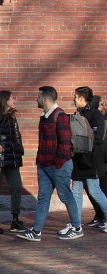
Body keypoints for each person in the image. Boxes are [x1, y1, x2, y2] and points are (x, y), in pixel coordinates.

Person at [16, 86, 83, 241]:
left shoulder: (59, 116)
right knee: (43, 198)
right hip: (44, 166)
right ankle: (36, 231)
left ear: (45, 99)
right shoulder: (44, 116)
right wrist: (40, 161)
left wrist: (57, 164)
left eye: (38, 97)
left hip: (58, 166)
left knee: (65, 195)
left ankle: (77, 227)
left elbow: (65, 144)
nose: (36, 99)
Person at [68, 86, 107, 234]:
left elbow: (97, 138)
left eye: (75, 97)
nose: (73, 99)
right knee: (76, 192)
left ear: (81, 98)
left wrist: (79, 144)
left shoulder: (95, 114)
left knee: (94, 190)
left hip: (91, 160)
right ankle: (76, 224)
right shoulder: (80, 113)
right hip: (78, 160)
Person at [84, 95, 107, 227]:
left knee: (104, 188)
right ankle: (99, 215)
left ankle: (106, 216)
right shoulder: (92, 118)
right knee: (91, 187)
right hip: (97, 158)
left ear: (101, 106)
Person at [0, 90, 25, 232]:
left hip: (13, 158)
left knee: (16, 187)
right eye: (12, 98)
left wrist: (19, 150)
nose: (14, 100)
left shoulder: (11, 116)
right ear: (5, 100)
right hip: (1, 157)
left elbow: (16, 136)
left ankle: (15, 220)